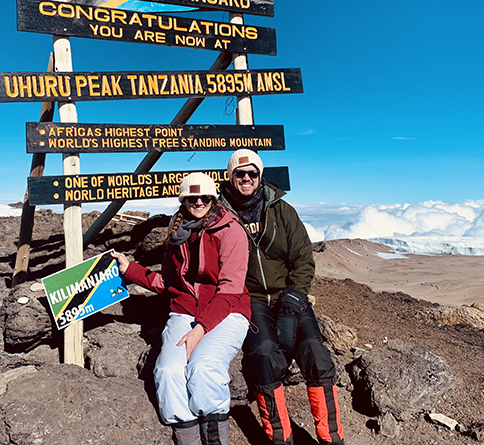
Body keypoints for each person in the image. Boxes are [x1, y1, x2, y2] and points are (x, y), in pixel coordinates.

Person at [113, 172, 251, 445]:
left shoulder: (230, 230)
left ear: (213, 199)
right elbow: (167, 282)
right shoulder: (178, 234)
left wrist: (200, 330)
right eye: (191, 197)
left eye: (204, 197)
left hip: (228, 311)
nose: (198, 202)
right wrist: (131, 270)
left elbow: (230, 289)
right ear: (183, 200)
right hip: (184, 311)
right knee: (168, 372)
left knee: (204, 367)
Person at [218, 149, 344, 445]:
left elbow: (303, 256)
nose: (246, 178)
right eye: (240, 173)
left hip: (289, 294)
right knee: (263, 354)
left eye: (252, 173)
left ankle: (331, 438)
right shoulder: (221, 215)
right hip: (250, 298)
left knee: (316, 353)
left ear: (260, 177)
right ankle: (280, 437)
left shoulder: (281, 210)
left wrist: (295, 297)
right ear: (230, 176)